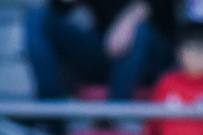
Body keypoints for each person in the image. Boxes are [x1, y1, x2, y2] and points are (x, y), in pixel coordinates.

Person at [24, 0, 174, 101]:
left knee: (140, 32)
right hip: (107, 50)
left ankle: (115, 117)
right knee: (37, 18)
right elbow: (60, 11)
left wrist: (130, 20)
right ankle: (51, 113)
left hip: (153, 57)